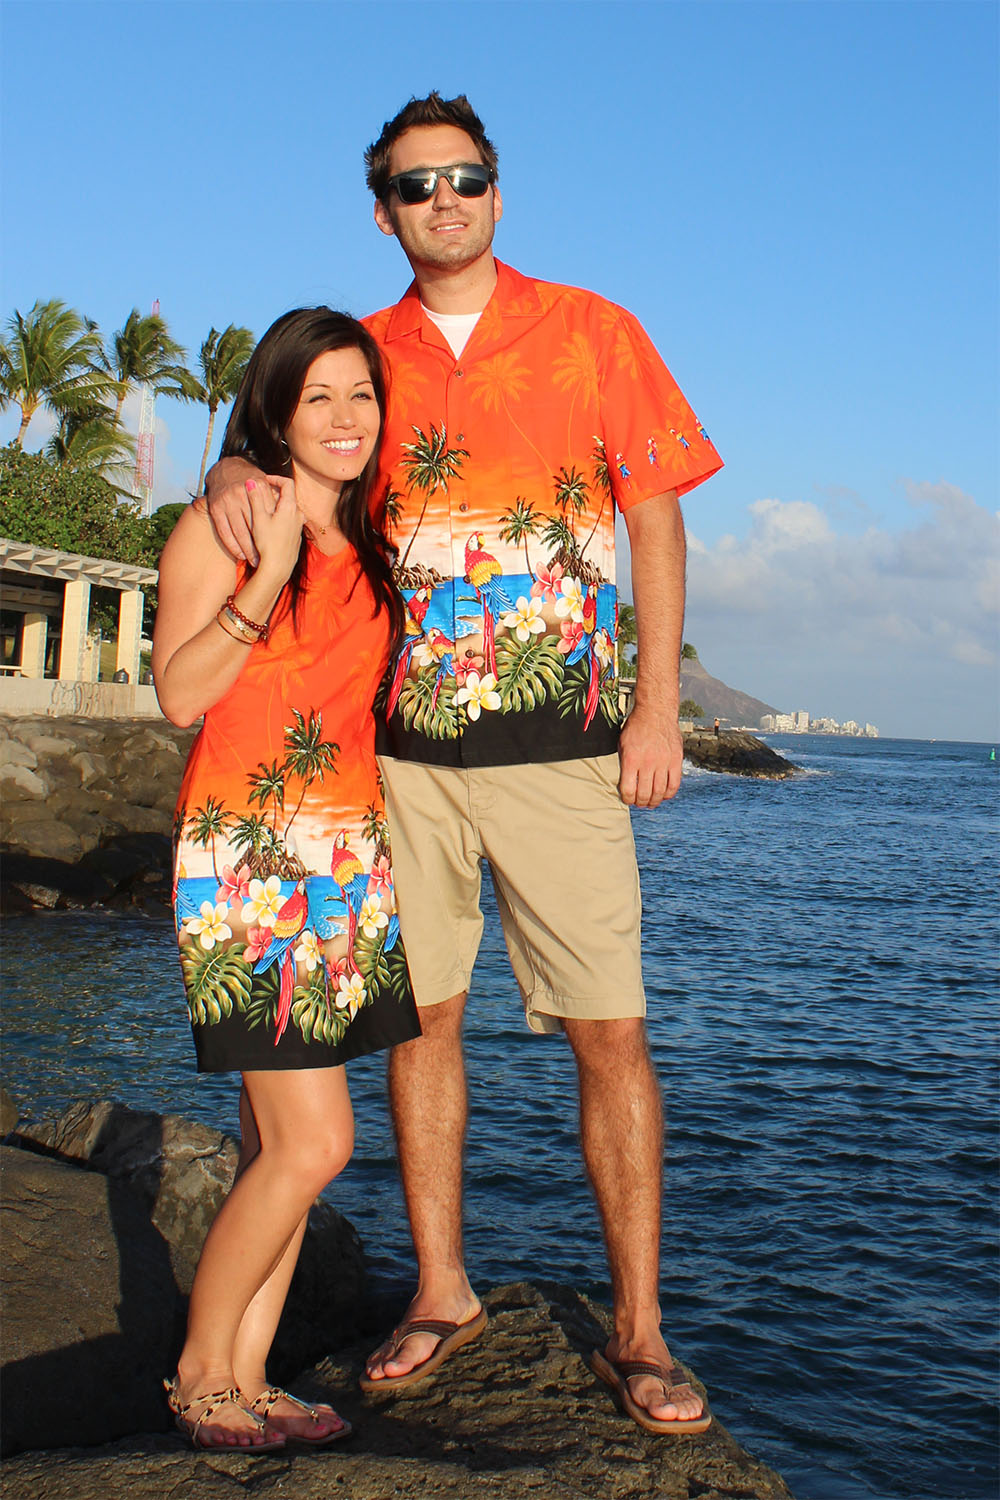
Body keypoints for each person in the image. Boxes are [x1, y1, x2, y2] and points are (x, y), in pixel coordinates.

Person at [205, 93, 723, 1436]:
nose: (446, 199)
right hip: (394, 753)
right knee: (424, 1023)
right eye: (416, 184)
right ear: (382, 208)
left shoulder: (594, 331)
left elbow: (654, 519)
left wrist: (655, 706)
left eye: (467, 178)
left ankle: (641, 1331)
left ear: (499, 191)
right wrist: (219, 479)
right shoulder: (358, 353)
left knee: (609, 1032)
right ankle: (442, 1290)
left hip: (563, 748)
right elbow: (267, 449)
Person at [153, 307, 420, 1450]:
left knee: (280, 1149)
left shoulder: (374, 540)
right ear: (273, 410)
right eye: (318, 397)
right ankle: (200, 1377)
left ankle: (250, 1375)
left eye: (361, 394)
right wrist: (264, 575)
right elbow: (177, 693)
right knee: (320, 1145)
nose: (346, 418)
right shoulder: (227, 522)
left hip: (344, 867)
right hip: (246, 864)